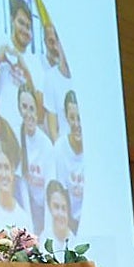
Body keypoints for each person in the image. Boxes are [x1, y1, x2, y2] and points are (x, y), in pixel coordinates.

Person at [0, 0, 44, 131]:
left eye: (28, 27)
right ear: (12, 20)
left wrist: (26, 73)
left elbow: (40, 114)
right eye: (21, 23)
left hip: (26, 133)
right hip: (0, 128)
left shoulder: (36, 63)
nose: (25, 30)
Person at [16, 83, 56, 233]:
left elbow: (49, 190)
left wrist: (46, 230)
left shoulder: (45, 145)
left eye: (31, 108)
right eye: (24, 107)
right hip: (29, 205)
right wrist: (29, 226)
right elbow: (23, 186)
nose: (28, 113)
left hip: (45, 205)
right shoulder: (19, 138)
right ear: (19, 109)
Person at [53, 89, 84, 226]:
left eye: (79, 118)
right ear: (66, 117)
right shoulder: (60, 148)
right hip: (68, 222)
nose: (77, 124)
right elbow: (60, 191)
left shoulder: (94, 149)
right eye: (72, 118)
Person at [45, 178, 76, 243]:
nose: (61, 214)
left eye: (64, 208)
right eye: (56, 207)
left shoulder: (76, 240)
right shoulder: (43, 240)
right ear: (49, 207)